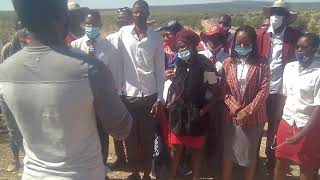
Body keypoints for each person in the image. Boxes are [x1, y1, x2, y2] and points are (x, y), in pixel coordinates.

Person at [0, 0, 132, 179]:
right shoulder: (90, 68)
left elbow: (14, 132)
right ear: (60, 17)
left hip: (33, 174)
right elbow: (120, 130)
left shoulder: (5, 71)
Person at [117, 0, 165, 179]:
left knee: (147, 137)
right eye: (136, 12)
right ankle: (135, 172)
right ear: (132, 14)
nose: (140, 14)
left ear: (148, 13)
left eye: (143, 11)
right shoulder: (122, 34)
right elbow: (116, 61)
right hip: (128, 96)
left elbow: (160, 72)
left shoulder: (155, 38)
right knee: (130, 138)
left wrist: (160, 98)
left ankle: (146, 171)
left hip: (150, 96)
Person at [256, 0, 302, 175]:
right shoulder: (260, 35)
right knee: (257, 126)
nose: (276, 16)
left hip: (281, 92)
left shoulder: (295, 36)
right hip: (261, 90)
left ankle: (271, 159)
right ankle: (254, 159)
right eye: (274, 12)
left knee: (275, 128)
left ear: (286, 17)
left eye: (280, 13)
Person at [166, 29, 218, 180]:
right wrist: (172, 101)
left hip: (197, 114)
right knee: (175, 149)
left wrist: (203, 111)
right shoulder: (179, 63)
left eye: (184, 46)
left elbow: (216, 92)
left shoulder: (205, 64)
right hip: (179, 115)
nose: (181, 50)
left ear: (193, 46)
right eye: (179, 47)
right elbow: (179, 86)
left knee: (196, 151)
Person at [71, 10, 118, 174]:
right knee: (83, 132)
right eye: (88, 24)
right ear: (83, 25)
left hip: (101, 97)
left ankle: (102, 164)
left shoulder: (108, 47)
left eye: (94, 24)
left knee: (101, 133)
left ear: (100, 25)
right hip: (81, 97)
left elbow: (113, 74)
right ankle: (85, 164)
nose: (90, 27)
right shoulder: (75, 46)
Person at [221, 25, 270, 180]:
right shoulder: (228, 63)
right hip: (232, 116)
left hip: (254, 118)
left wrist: (247, 111)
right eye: (238, 43)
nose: (242, 47)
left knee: (249, 155)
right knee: (229, 153)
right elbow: (224, 90)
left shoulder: (262, 63)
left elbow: (264, 90)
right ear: (234, 43)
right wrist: (237, 109)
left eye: (246, 44)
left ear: (253, 44)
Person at [273, 33, 320, 180]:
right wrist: (276, 126)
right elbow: (284, 97)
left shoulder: (318, 72)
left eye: (304, 47)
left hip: (307, 126)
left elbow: (318, 107)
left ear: (315, 49)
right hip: (286, 122)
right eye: (297, 47)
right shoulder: (289, 67)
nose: (299, 50)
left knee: (306, 167)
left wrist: (302, 133)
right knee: (280, 162)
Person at [105, 6, 134, 170]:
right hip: (115, 92)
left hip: (133, 92)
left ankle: (134, 159)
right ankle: (121, 159)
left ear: (131, 20)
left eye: (124, 19)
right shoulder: (109, 40)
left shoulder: (137, 39)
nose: (121, 22)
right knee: (116, 128)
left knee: (132, 127)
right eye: (119, 19)